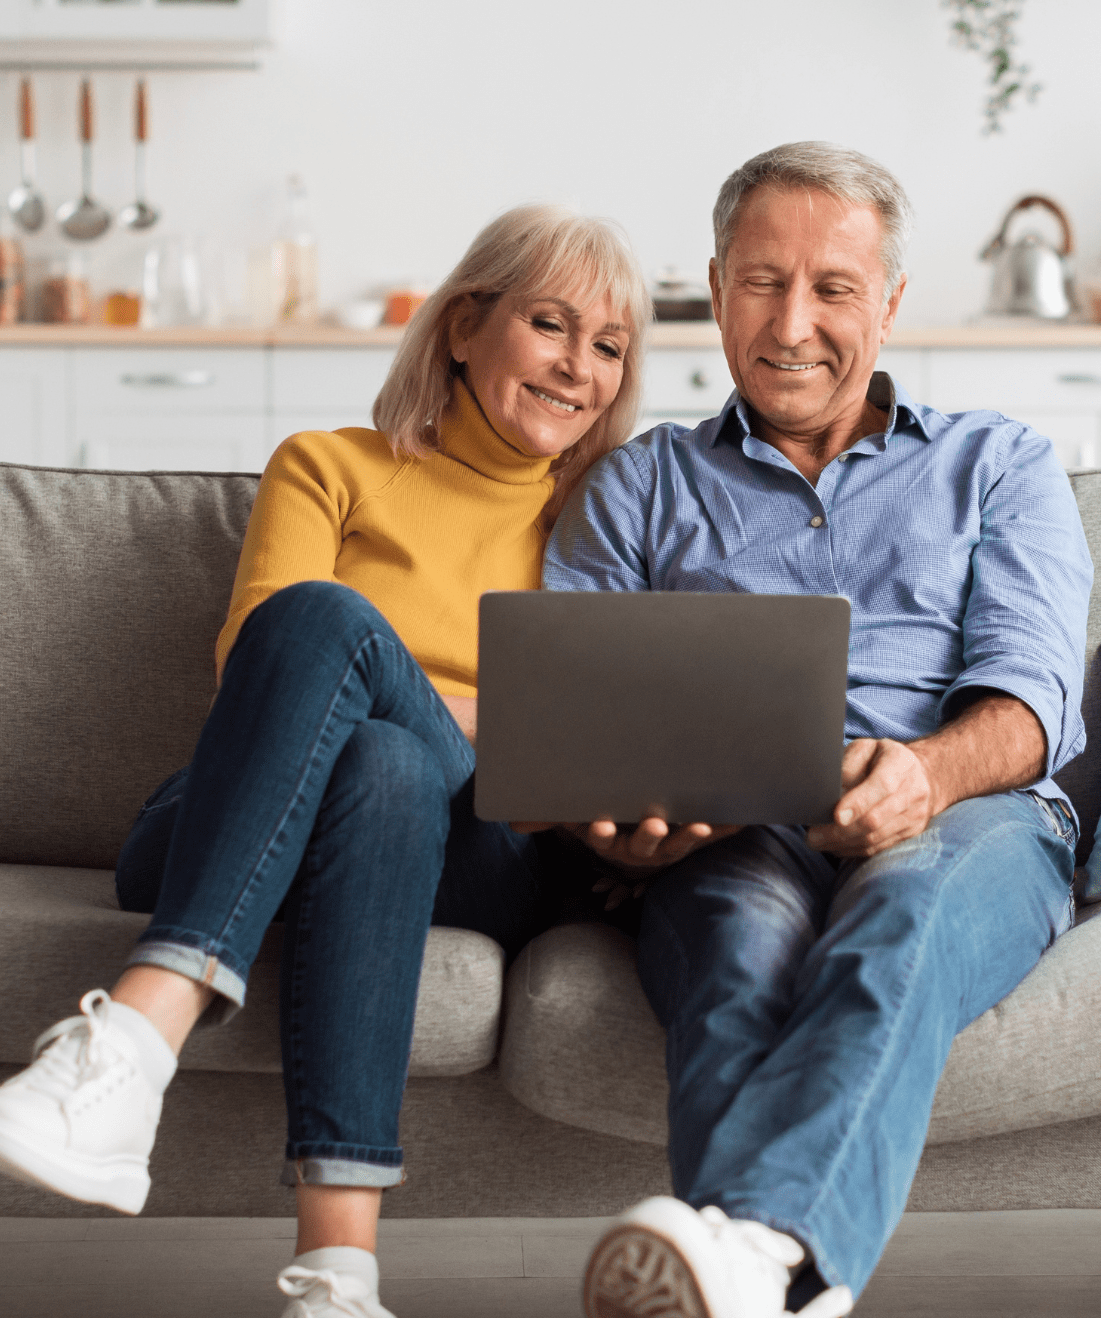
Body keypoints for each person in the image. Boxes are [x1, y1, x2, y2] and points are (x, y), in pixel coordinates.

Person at [0, 204, 652, 1318]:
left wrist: (444, 709)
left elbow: (584, 736)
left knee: (365, 686)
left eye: (610, 346)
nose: (580, 368)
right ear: (462, 326)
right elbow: (259, 663)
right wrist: (490, 709)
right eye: (552, 325)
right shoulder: (327, 467)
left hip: (479, 848)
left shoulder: (606, 519)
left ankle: (132, 1046)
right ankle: (335, 1283)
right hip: (235, 812)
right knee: (356, 711)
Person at [542, 142, 1092, 1318]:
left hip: (968, 819)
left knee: (902, 909)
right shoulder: (638, 486)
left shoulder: (1001, 463)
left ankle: (759, 1249)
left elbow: (1037, 698)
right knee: (735, 952)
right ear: (715, 285)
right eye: (761, 281)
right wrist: (616, 833)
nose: (793, 323)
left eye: (834, 288)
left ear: (889, 304)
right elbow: (572, 718)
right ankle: (781, 1285)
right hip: (730, 834)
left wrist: (926, 776)